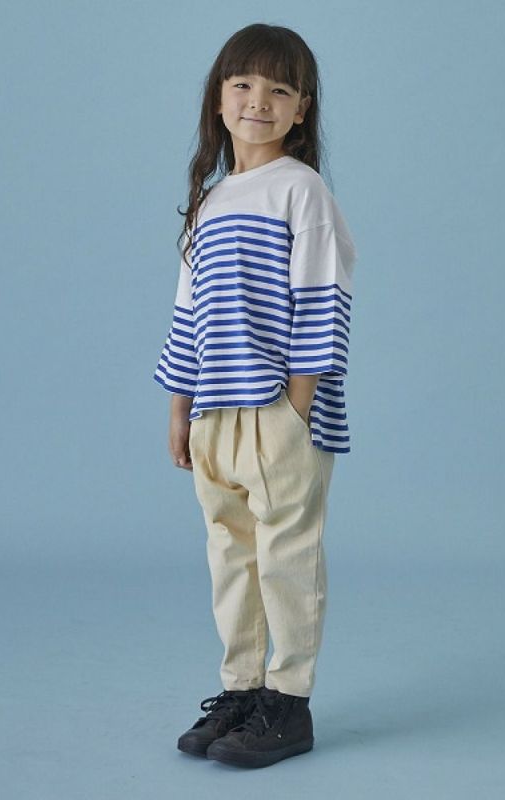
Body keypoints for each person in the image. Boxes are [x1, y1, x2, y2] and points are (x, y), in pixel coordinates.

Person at [152, 22, 357, 769]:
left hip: (278, 411)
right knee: (230, 557)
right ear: (218, 97)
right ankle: (242, 690)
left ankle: (289, 702)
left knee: (286, 558)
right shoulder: (209, 202)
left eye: (279, 89)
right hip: (215, 412)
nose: (257, 101)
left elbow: (323, 301)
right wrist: (180, 408)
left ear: (302, 109)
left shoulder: (302, 191)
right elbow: (189, 313)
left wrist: (295, 410)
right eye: (242, 84)